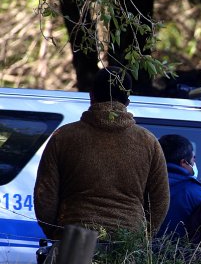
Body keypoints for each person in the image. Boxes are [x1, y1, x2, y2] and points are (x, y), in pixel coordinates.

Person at [34, 68, 169, 240]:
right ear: (127, 102)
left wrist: (57, 233)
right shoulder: (148, 142)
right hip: (126, 243)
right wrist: (140, 238)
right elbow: (160, 201)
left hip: (73, 237)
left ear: (91, 96)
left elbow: (44, 197)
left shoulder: (64, 137)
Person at [156, 134, 201, 238]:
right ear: (183, 162)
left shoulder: (142, 187)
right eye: (193, 159)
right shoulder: (199, 194)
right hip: (183, 253)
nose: (194, 163)